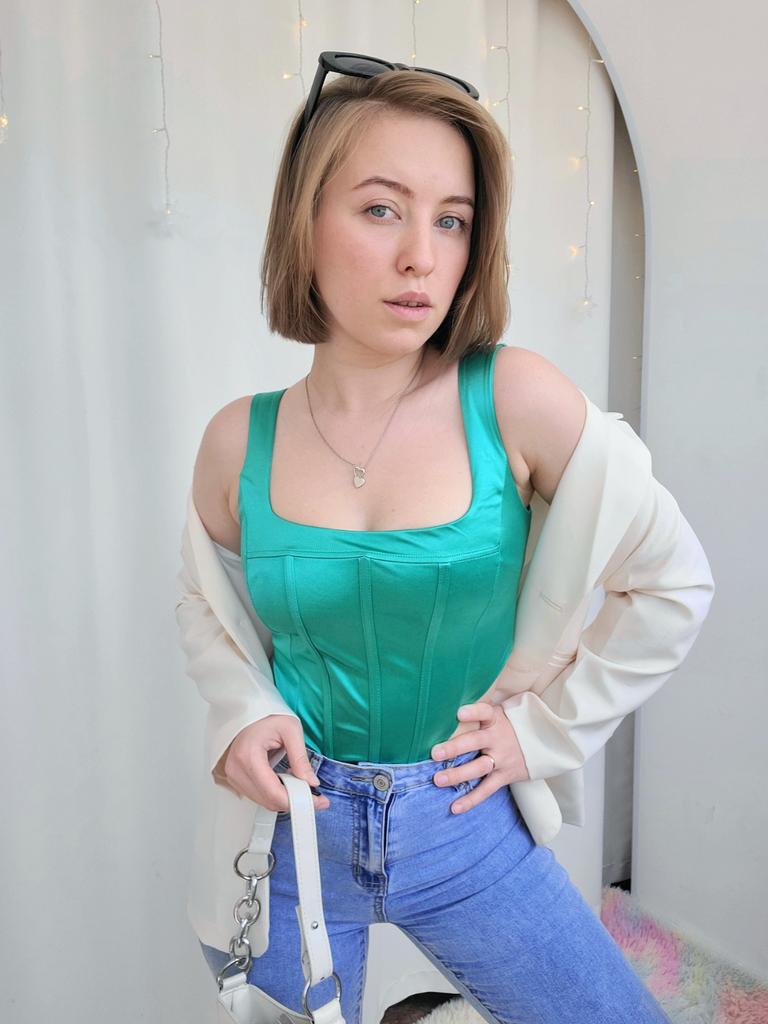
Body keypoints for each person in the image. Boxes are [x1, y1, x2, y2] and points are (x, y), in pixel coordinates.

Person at [178, 52, 707, 1024]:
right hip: (291, 833)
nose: (421, 255)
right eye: (382, 209)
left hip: (464, 821)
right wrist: (241, 714)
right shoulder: (234, 440)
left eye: (452, 219)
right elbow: (211, 614)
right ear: (304, 222)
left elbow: (672, 583)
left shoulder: (515, 398)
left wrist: (542, 730)